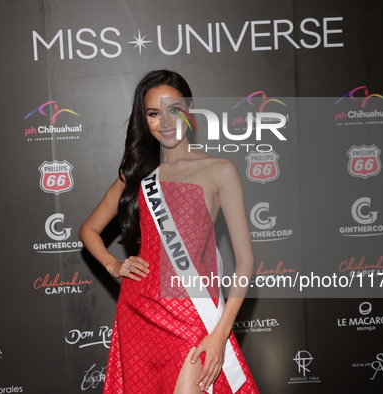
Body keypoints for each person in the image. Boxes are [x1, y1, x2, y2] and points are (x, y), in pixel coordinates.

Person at [79, 70, 259, 394]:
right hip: (138, 311)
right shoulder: (136, 176)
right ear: (144, 119)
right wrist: (114, 266)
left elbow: (245, 262)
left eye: (173, 109)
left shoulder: (220, 170)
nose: (165, 121)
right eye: (153, 113)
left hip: (193, 314)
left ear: (189, 109)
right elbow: (89, 230)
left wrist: (220, 333)